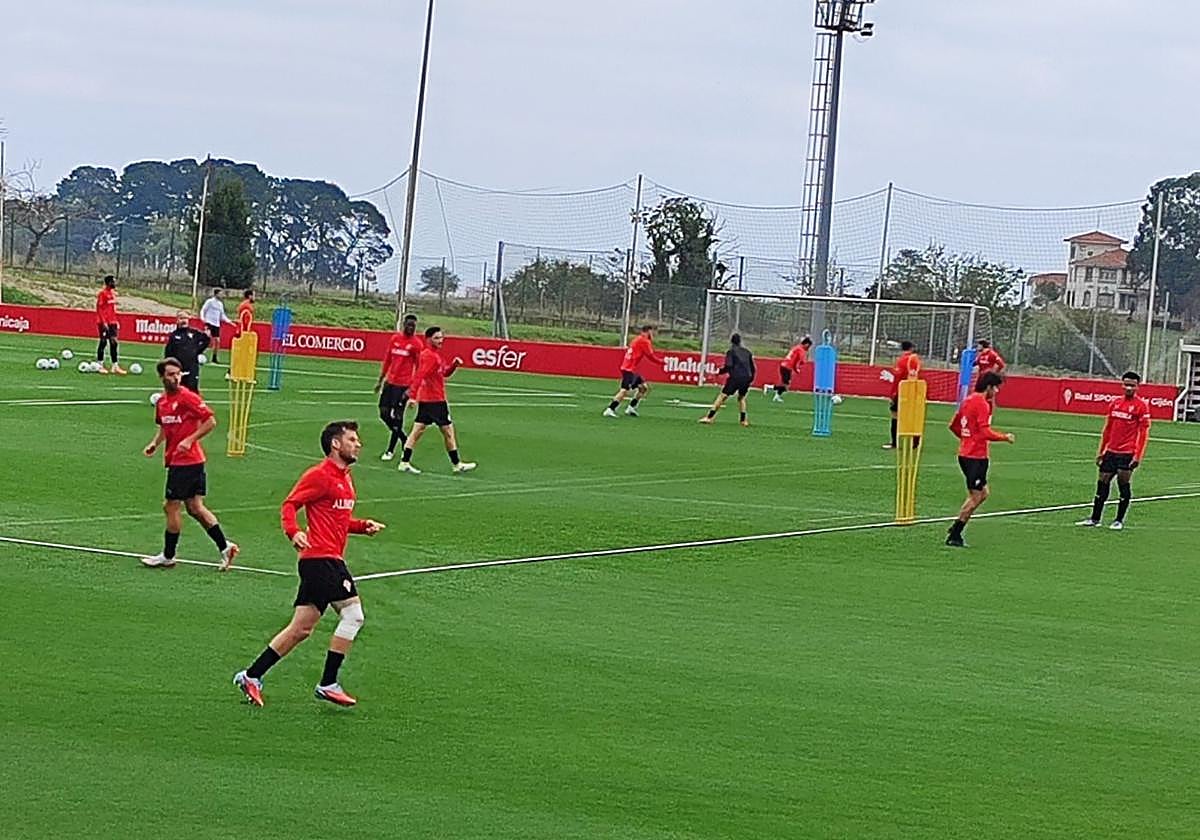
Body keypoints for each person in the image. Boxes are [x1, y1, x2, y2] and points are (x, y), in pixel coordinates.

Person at [234, 421, 385, 708]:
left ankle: (251, 676)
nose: (359, 444)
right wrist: (293, 531)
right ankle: (328, 683)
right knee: (353, 616)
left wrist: (362, 526)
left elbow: (337, 520)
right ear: (335, 444)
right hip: (321, 559)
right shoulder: (319, 475)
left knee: (300, 629)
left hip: (322, 560)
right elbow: (290, 504)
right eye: (352, 439)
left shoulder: (345, 478)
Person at [141, 357, 239, 570]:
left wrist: (189, 440)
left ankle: (168, 555)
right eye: (171, 374)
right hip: (181, 461)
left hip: (187, 461)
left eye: (178, 374)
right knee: (195, 508)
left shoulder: (187, 397)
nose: (176, 378)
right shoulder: (162, 403)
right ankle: (225, 547)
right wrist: (155, 443)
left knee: (171, 506)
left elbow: (210, 421)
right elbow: (164, 427)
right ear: (162, 377)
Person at [944, 371, 1014, 548]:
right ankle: (955, 533)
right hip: (975, 456)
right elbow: (984, 432)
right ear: (989, 387)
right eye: (995, 388)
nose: (996, 392)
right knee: (976, 496)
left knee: (983, 493)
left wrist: (966, 439)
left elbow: (953, 425)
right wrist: (1004, 437)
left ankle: (956, 528)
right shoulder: (982, 404)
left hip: (967, 454)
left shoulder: (967, 400)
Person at [1076, 371, 1151, 531]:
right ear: (1122, 385)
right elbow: (1108, 429)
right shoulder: (1115, 403)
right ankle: (1095, 519)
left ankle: (1119, 520)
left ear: (1137, 387)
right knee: (1102, 483)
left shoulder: (1141, 406)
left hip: (1127, 453)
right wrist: (1101, 451)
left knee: (1123, 485)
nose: (1129, 388)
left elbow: (1144, 433)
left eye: (1132, 385)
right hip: (1111, 452)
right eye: (1126, 384)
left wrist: (1137, 456)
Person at [398, 327, 476, 475]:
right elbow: (420, 375)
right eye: (437, 338)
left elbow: (444, 373)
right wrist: (412, 396)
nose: (441, 340)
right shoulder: (430, 356)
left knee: (417, 431)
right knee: (448, 432)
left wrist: (454, 365)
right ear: (428, 339)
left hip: (427, 400)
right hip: (436, 401)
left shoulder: (434, 356)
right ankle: (456, 464)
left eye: (441, 337)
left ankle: (404, 462)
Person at [374, 314, 422, 460]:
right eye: (409, 325)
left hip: (403, 386)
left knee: (398, 417)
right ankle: (403, 437)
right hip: (390, 383)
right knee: (383, 413)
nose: (411, 328)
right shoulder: (395, 339)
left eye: (413, 326)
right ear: (404, 324)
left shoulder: (416, 344)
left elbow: (419, 369)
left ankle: (390, 450)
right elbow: (388, 360)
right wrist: (380, 380)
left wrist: (413, 392)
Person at [603, 325, 662, 418]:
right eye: (653, 332)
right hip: (628, 369)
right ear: (648, 331)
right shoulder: (644, 341)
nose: (654, 334)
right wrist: (661, 362)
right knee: (624, 390)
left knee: (643, 387)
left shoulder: (638, 339)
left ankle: (631, 408)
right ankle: (610, 409)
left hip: (630, 368)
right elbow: (650, 356)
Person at [700, 333, 755, 427]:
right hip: (747, 377)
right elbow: (752, 368)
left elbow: (729, 365)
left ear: (731, 341)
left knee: (723, 396)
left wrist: (720, 372)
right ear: (740, 341)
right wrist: (750, 378)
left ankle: (709, 417)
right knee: (741, 398)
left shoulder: (731, 352)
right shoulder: (747, 352)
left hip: (736, 377)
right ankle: (744, 421)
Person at [883, 341, 921, 449]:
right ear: (911, 348)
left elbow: (897, 378)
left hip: (902, 391)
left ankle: (894, 442)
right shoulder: (916, 360)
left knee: (895, 415)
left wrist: (893, 394)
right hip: (913, 391)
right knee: (913, 416)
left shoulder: (903, 360)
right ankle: (915, 442)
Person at [163, 311, 211, 393]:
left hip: (192, 369)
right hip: (179, 370)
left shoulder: (194, 333)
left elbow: (205, 340)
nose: (184, 320)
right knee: (177, 391)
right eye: (181, 318)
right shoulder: (174, 336)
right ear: (177, 320)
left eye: (186, 318)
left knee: (193, 391)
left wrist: (197, 350)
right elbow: (168, 353)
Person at [95, 275, 126, 375]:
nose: (114, 284)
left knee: (114, 342)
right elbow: (100, 309)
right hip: (104, 322)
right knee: (103, 342)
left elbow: (111, 309)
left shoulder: (112, 294)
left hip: (112, 322)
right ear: (108, 283)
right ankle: (100, 365)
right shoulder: (102, 294)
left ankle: (115, 366)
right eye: (113, 282)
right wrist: (104, 322)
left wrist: (116, 321)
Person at [766, 336, 812, 402]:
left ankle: (776, 396)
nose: (808, 348)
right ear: (806, 344)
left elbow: (794, 360)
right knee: (786, 385)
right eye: (809, 346)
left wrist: (795, 369)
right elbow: (801, 360)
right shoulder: (801, 350)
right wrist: (799, 366)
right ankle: (769, 387)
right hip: (786, 367)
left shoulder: (797, 347)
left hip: (785, 366)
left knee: (785, 384)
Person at [200, 288, 234, 363]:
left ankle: (214, 357)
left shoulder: (220, 304)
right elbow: (203, 310)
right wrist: (203, 318)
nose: (222, 295)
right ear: (216, 294)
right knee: (207, 338)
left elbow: (222, 315)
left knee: (217, 341)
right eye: (220, 293)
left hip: (216, 324)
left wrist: (229, 321)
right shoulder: (210, 301)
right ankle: (200, 352)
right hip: (209, 322)